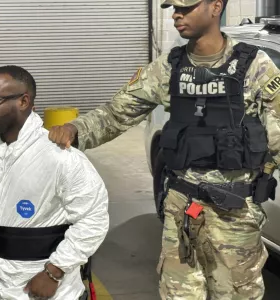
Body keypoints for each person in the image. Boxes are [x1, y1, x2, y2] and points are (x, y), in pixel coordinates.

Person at [48, 0, 280, 299]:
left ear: (215, 7)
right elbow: (117, 113)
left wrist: (264, 173)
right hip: (181, 213)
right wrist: (77, 129)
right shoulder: (169, 67)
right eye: (174, 8)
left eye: (187, 7)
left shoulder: (255, 65)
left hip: (234, 217)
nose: (177, 15)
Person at [0, 65, 109, 300]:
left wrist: (53, 272)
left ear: (23, 101)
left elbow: (93, 218)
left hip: (54, 291)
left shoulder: (59, 156)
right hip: (0, 286)